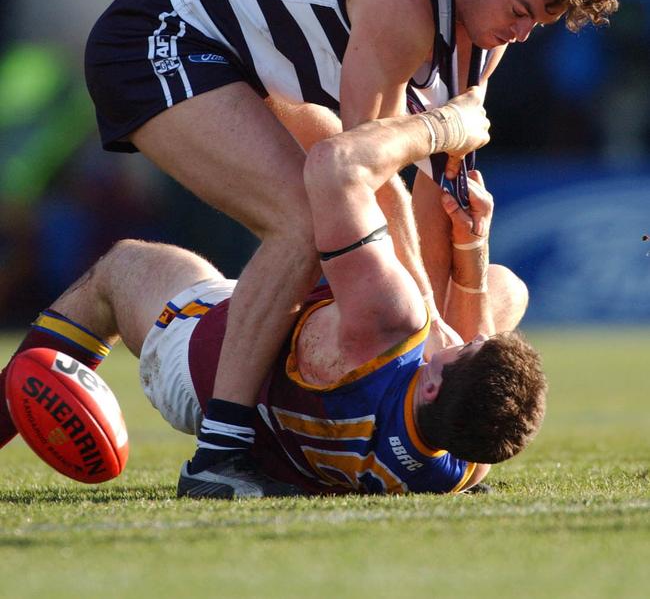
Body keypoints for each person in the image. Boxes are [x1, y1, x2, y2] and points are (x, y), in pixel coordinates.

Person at [83, 0, 613, 494]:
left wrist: (442, 343)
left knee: (479, 279)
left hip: (253, 62)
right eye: (520, 12)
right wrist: (421, 326)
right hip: (163, 35)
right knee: (303, 222)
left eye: (537, 25)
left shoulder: (484, 33)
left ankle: (60, 359)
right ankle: (219, 457)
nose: (521, 35)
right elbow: (363, 167)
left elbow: (441, 196)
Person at [1, 90, 546, 496]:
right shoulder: (452, 469)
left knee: (120, 270)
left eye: (459, 351)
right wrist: (471, 247)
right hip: (287, 442)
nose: (457, 339)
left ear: (430, 385)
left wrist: (442, 125)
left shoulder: (388, 317)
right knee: (504, 289)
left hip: (207, 369)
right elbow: (481, 327)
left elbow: (339, 166)